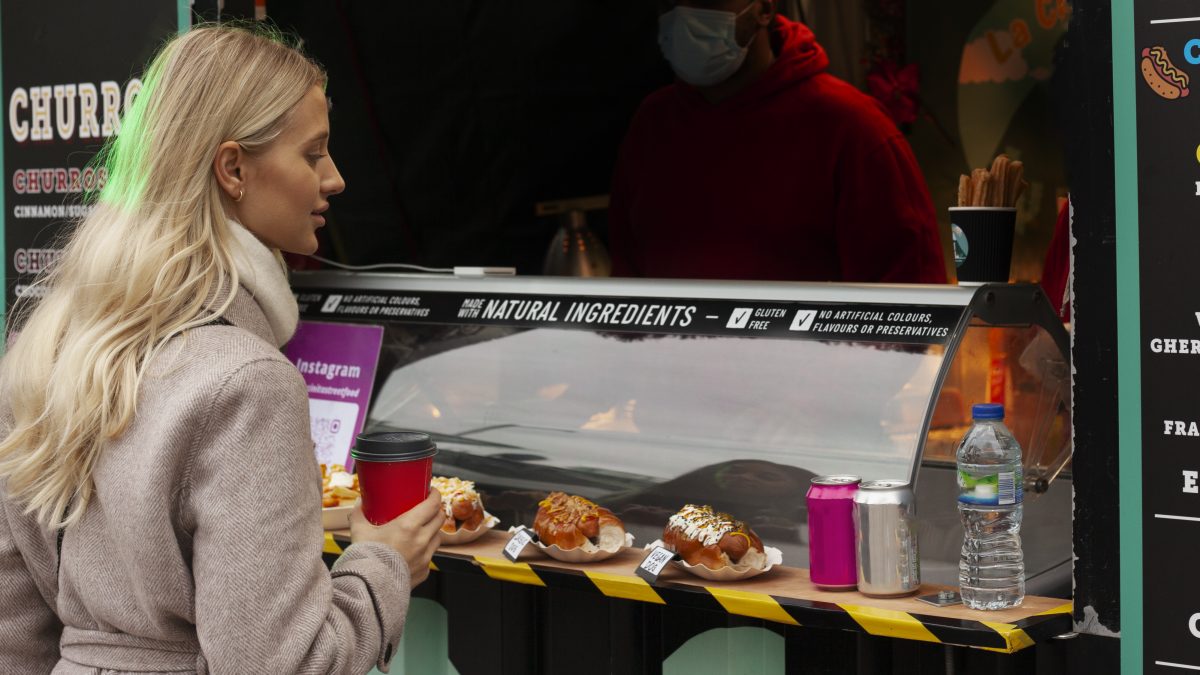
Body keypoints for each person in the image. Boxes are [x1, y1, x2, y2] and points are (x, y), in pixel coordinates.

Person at [0, 25, 444, 674]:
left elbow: (13, 628)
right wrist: (383, 564)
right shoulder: (247, 381)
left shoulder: (45, 350)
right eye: (314, 154)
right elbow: (285, 665)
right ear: (233, 168)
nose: (337, 179)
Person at [608, 0, 947, 283]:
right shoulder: (652, 126)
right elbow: (626, 284)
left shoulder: (852, 128)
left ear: (765, 8)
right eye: (669, 2)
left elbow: (911, 309)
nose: (685, 15)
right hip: (666, 363)